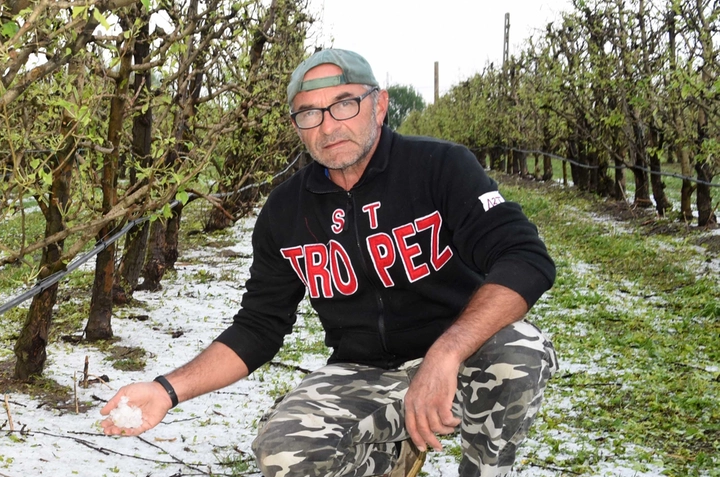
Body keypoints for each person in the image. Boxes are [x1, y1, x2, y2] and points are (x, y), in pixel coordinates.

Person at [99, 48, 557, 477]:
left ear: (379, 106)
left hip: (463, 358)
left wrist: (447, 350)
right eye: (309, 113)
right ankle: (392, 457)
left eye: (344, 104)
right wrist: (166, 389)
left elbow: (524, 256)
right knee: (284, 452)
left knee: (519, 350)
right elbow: (258, 327)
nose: (329, 125)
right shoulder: (285, 211)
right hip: (364, 371)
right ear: (297, 125)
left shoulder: (440, 167)